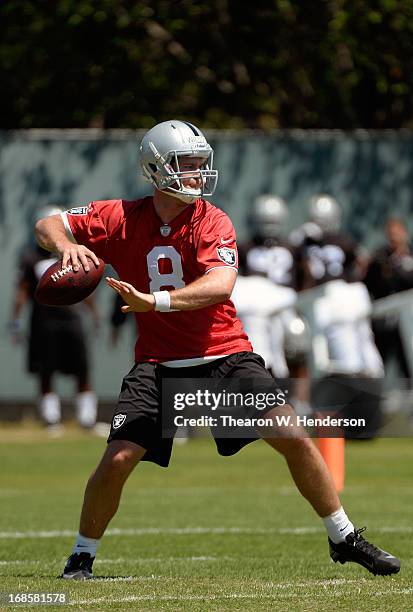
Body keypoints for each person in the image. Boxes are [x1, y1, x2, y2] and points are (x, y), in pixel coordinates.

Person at [34, 120, 400, 580]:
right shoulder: (119, 216)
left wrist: (156, 301)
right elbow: (47, 224)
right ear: (156, 168)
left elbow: (220, 284)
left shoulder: (212, 219)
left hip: (224, 356)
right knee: (119, 458)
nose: (197, 174)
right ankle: (81, 556)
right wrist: (67, 246)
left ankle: (343, 537)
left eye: (199, 164)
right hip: (159, 366)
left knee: (292, 436)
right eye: (186, 165)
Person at [11, 206, 99, 431]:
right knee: (46, 370)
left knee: (81, 368)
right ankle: (51, 419)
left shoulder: (74, 253)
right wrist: (16, 320)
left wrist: (94, 314)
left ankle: (87, 419)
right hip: (43, 321)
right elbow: (21, 290)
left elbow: (84, 288)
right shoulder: (31, 258)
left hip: (71, 320)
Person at [364, 217, 413, 383]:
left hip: (408, 320)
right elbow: (369, 283)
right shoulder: (380, 258)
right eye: (390, 234)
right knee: (378, 362)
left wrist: (399, 268)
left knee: (408, 359)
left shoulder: (410, 256)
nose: (394, 238)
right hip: (383, 321)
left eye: (397, 233)